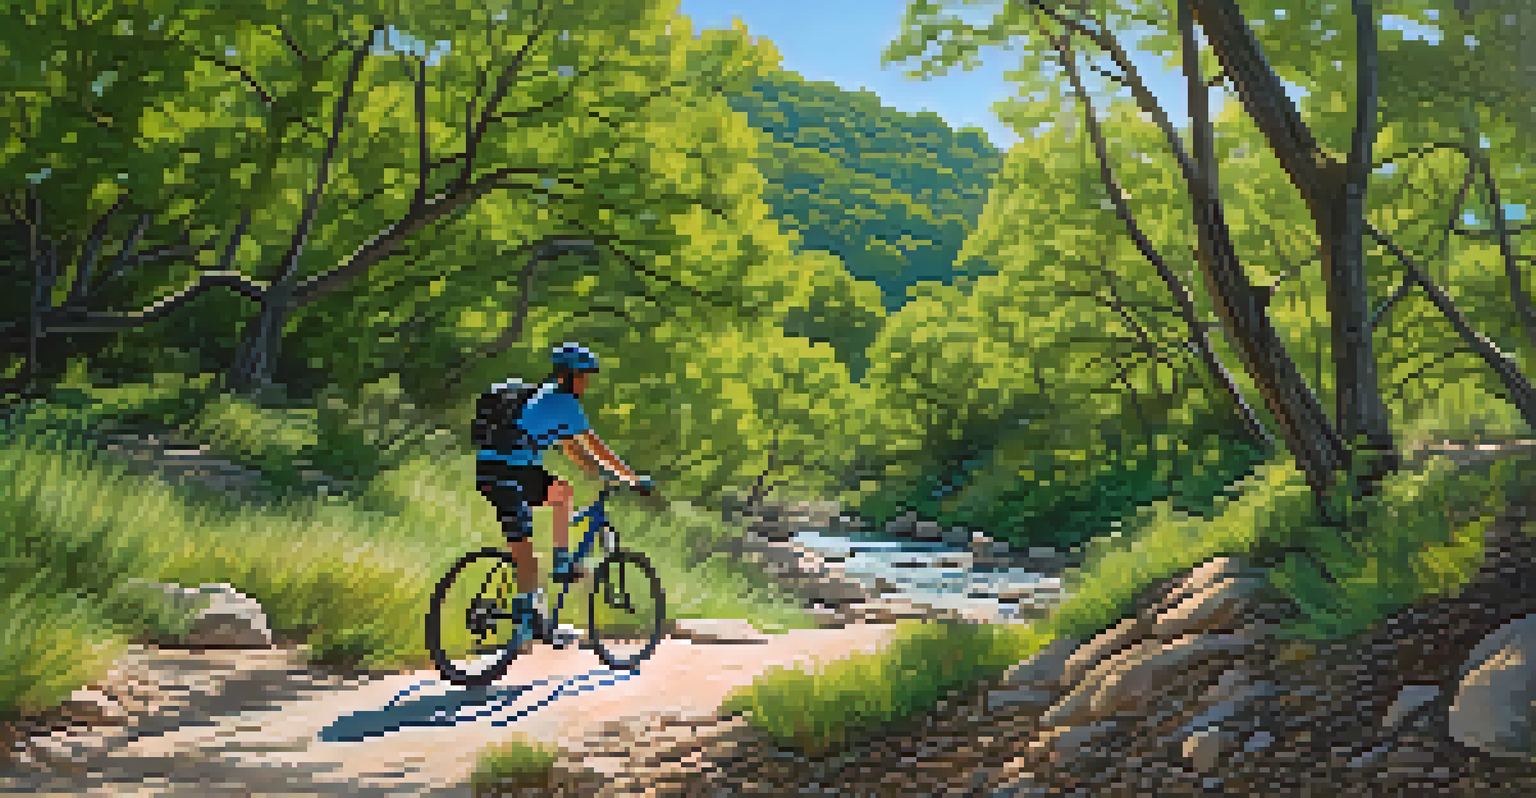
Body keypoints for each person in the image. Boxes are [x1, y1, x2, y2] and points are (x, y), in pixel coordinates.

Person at [473, 343, 653, 644]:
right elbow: (595, 446)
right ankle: (541, 600)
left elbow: (576, 452)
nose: (586, 383)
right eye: (583, 377)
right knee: (526, 554)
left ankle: (546, 599)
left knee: (561, 492)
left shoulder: (543, 397)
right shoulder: (564, 403)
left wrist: (603, 477)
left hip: (499, 470)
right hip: (509, 475)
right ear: (569, 376)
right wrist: (631, 477)